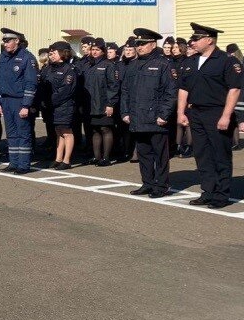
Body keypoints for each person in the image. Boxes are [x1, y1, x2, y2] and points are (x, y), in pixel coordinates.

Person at [177, 23, 243, 208]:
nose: (192, 42)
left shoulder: (227, 61)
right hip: (196, 112)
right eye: (192, 38)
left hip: (217, 112)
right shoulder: (190, 61)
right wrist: (181, 112)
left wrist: (226, 116)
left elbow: (234, 89)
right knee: (202, 154)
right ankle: (208, 191)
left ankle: (221, 194)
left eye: (196, 39)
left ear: (209, 40)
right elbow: (183, 88)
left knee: (220, 154)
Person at [121, 28, 177, 197]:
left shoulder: (163, 64)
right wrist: (125, 112)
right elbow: (125, 91)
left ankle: (161, 185)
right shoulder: (133, 65)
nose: (139, 47)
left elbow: (171, 92)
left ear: (153, 44)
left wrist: (164, 115)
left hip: (156, 118)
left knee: (160, 155)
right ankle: (147, 183)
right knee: (144, 153)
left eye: (143, 44)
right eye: (138, 44)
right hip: (138, 117)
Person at [0, 28, 38, 174]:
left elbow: (31, 83)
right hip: (6, 100)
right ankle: (13, 162)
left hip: (19, 101)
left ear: (17, 41)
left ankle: (23, 165)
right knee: (11, 134)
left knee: (23, 134)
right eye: (4, 41)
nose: (5, 44)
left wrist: (26, 105)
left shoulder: (27, 58)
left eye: (8, 41)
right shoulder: (3, 57)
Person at [39, 41, 77, 169]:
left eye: (54, 53)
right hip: (52, 106)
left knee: (66, 132)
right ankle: (58, 158)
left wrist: (51, 100)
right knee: (59, 132)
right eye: (50, 54)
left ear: (62, 53)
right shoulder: (49, 68)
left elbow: (66, 90)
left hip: (64, 105)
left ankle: (66, 160)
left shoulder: (69, 69)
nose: (51, 56)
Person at [84, 37, 120, 166]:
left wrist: (110, 104)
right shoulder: (89, 65)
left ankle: (106, 157)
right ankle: (97, 156)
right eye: (92, 49)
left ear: (103, 51)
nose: (94, 52)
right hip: (92, 104)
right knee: (95, 130)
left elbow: (113, 86)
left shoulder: (108, 65)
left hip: (104, 103)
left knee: (105, 128)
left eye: (97, 50)